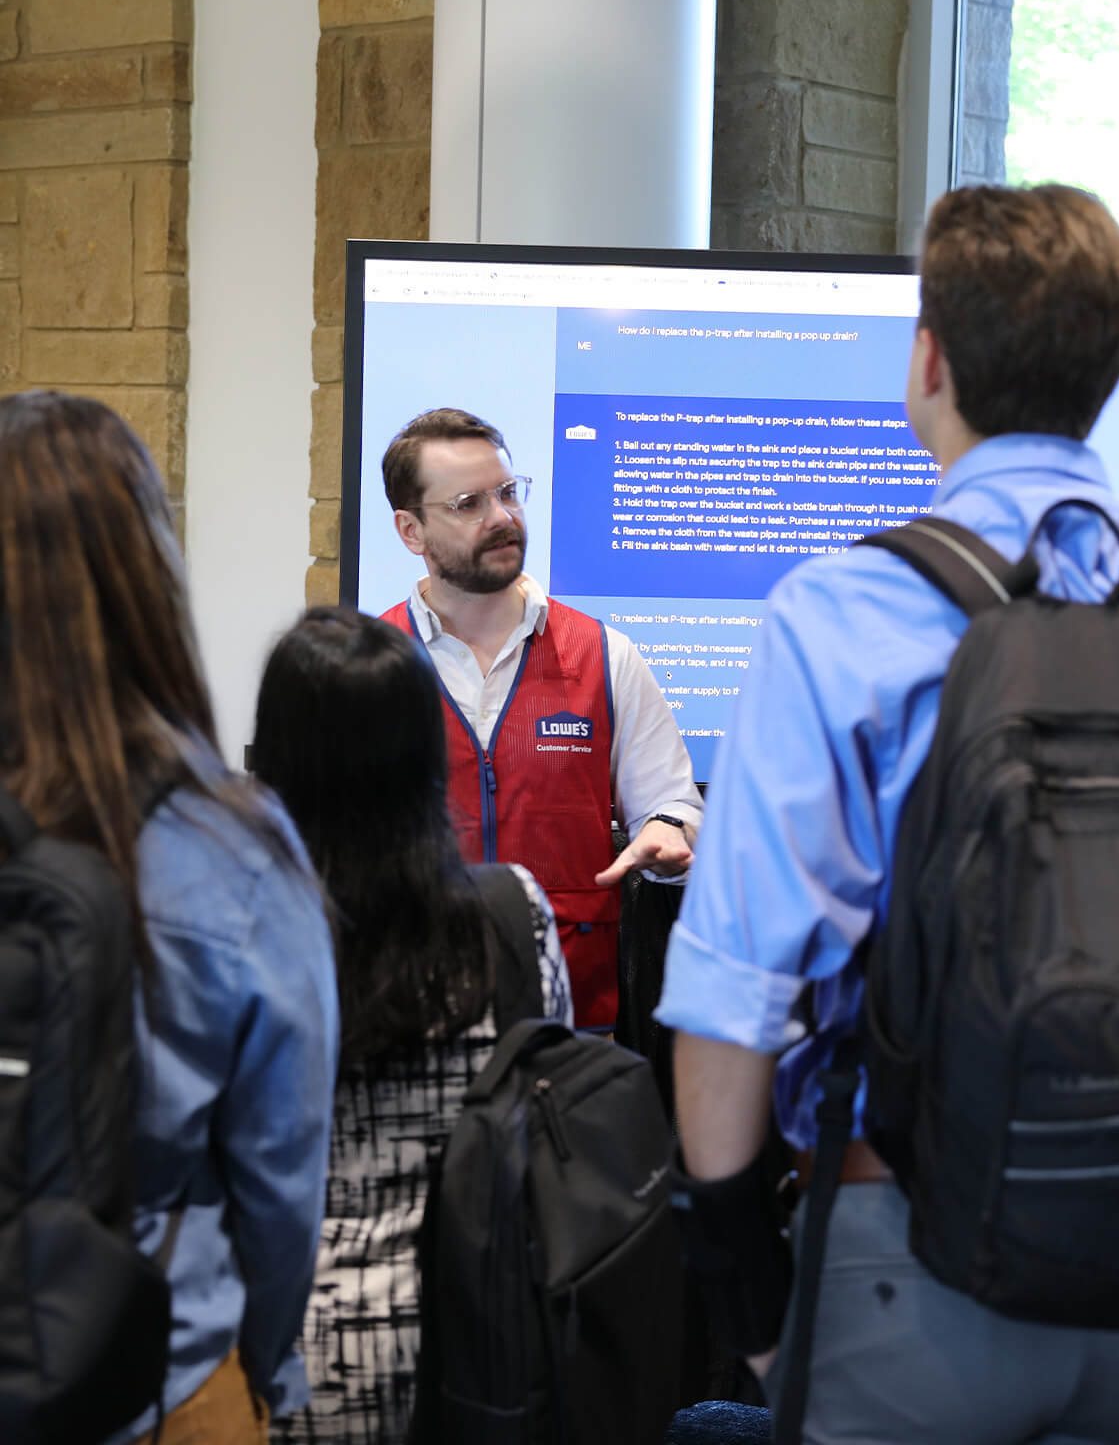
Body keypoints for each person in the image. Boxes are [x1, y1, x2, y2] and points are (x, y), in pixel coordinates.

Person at [655, 185, 1119, 1445]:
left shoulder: (837, 617)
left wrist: (754, 1290)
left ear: (928, 360)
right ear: (1111, 373)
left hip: (905, 1260)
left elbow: (734, 1003)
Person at [0, 391, 338, 1445]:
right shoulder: (232, 853)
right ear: (147, 573)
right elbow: (280, 1181)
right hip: (147, 1375)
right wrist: (268, 1369)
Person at [252, 607, 572, 1445]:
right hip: (478, 1358)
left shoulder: (235, 930)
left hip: (275, 1368)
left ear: (273, 759)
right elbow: (547, 1124)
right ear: (429, 754)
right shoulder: (510, 917)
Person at [380, 408, 702, 1029]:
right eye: (468, 503)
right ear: (411, 531)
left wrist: (670, 832)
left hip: (575, 1030)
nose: (502, 517)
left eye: (506, 493)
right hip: (410, 1021)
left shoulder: (604, 655)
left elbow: (673, 806)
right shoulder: (370, 663)